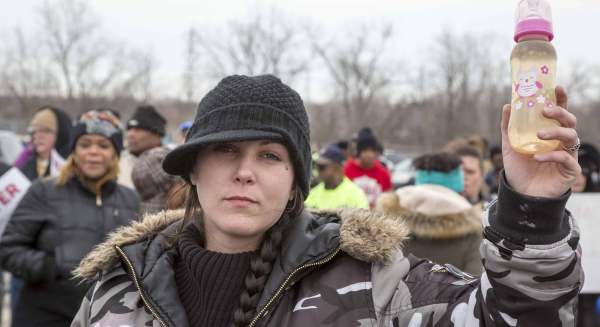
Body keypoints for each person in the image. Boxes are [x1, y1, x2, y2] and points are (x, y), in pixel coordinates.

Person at [72, 77, 582, 326]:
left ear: (296, 178)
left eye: (270, 155)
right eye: (224, 150)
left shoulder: (373, 282)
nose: (244, 172)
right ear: (194, 169)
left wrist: (531, 208)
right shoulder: (118, 285)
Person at [0, 110, 140, 327]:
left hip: (103, 318)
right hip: (44, 315)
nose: (93, 152)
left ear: (115, 153)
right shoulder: (44, 191)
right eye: (85, 144)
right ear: (73, 151)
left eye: (103, 146)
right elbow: (8, 249)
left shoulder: (130, 199)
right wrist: (50, 265)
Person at [376, 152, 482, 276]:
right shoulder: (474, 227)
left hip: (397, 293)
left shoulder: (386, 219)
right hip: (454, 294)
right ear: (458, 182)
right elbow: (475, 279)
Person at [126, 105, 181, 214]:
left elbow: (181, 191)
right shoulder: (169, 154)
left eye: (138, 129)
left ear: (156, 134)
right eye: (129, 129)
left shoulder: (152, 157)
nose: (131, 134)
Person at [13, 106, 72, 181]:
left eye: (46, 130)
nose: (38, 136)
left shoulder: (72, 168)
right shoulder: (24, 167)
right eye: (34, 130)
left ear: (61, 134)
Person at [305, 144, 368, 210]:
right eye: (316, 166)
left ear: (336, 167)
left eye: (322, 167)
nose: (318, 170)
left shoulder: (356, 195)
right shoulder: (313, 194)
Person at [344, 133, 392, 208]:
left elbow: (389, 198)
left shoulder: (383, 173)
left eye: (373, 151)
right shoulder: (347, 169)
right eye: (365, 151)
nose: (369, 154)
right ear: (359, 153)